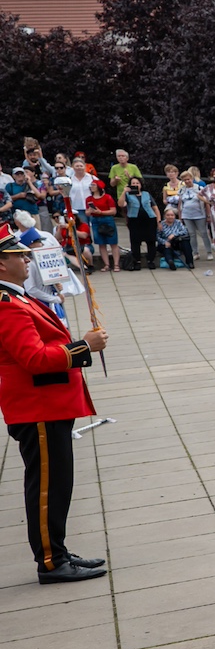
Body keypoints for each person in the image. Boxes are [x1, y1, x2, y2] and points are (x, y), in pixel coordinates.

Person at [0, 225, 105, 582]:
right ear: (1, 264)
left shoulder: (19, 297)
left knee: (58, 484)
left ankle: (56, 550)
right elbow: (33, 358)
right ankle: (50, 561)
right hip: (37, 407)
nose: (26, 259)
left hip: (48, 405)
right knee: (47, 486)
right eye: (18, 255)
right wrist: (84, 347)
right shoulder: (8, 305)